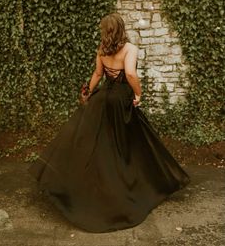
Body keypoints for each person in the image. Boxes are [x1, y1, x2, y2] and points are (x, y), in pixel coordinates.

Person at [28, 13, 190, 233]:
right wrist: (139, 94)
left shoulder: (102, 49)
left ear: (105, 31)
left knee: (101, 143)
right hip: (121, 99)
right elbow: (130, 74)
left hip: (103, 98)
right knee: (131, 141)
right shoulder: (130, 49)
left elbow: (97, 73)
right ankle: (138, 182)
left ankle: (93, 188)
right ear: (121, 28)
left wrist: (88, 93)